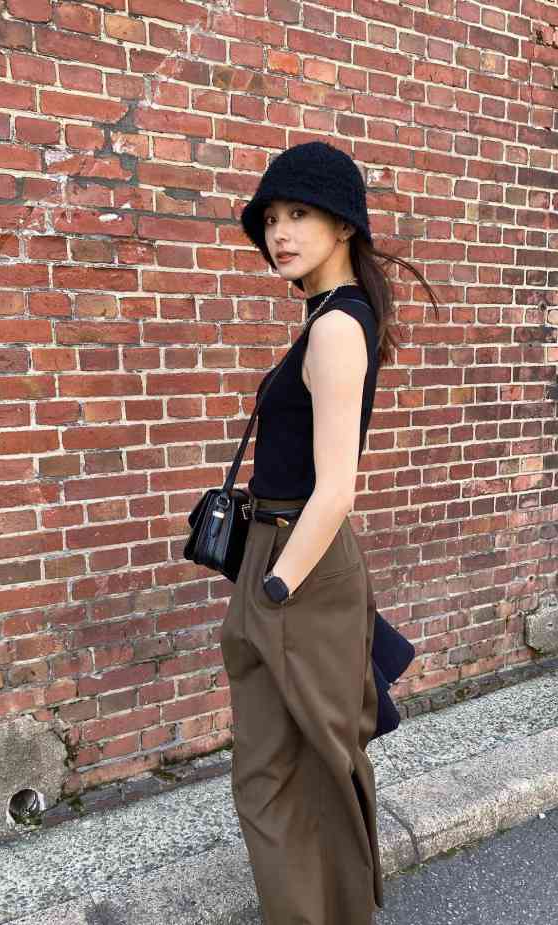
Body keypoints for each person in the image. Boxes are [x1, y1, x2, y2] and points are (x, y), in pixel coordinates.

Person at [219, 141, 439, 924]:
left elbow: (336, 488)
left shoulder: (337, 327)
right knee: (300, 766)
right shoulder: (327, 316)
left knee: (276, 776)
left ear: (343, 223)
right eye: (270, 218)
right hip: (285, 553)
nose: (279, 231)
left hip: (298, 562)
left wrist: (273, 590)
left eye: (298, 213)